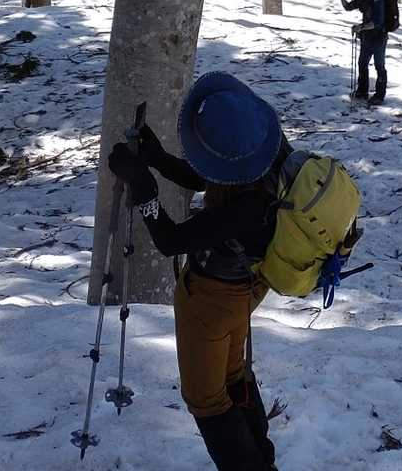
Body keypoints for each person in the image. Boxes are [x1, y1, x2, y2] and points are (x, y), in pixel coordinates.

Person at [105, 72, 286, 471]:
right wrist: (156, 158)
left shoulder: (246, 208)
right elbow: (206, 175)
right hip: (247, 287)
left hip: (213, 300)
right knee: (233, 373)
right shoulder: (265, 153)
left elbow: (171, 240)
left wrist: (143, 187)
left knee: (207, 400)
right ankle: (263, 462)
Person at [333, 0, 386, 106]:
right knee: (362, 64)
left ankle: (379, 96)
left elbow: (377, 23)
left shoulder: (377, 0)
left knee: (379, 66)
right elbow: (348, 7)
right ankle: (362, 91)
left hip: (379, 38)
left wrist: (360, 27)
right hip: (366, 38)